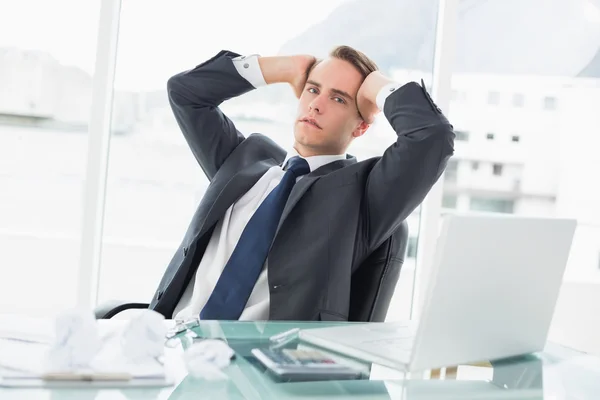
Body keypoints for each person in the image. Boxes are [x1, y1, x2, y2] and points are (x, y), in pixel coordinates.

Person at [149, 46, 455, 322]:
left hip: (260, 370)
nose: (316, 105)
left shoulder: (362, 196)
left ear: (361, 126)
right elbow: (186, 92)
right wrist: (283, 68)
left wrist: (377, 86)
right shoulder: (244, 161)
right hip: (173, 343)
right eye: (312, 90)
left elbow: (432, 136)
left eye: (338, 98)